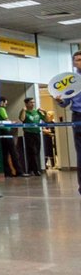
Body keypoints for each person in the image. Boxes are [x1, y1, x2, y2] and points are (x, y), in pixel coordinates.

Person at [54, 50, 81, 195]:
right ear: (73, 63)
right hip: (78, 116)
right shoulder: (70, 81)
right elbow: (65, 102)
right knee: (80, 154)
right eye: (77, 60)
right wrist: (59, 100)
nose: (79, 62)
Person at [0, 97, 24, 177]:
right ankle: (19, 171)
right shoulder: (1, 109)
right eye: (5, 103)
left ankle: (7, 172)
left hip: (0, 132)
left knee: (4, 153)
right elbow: (6, 120)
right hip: (6, 131)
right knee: (13, 152)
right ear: (2, 102)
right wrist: (14, 122)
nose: (6, 105)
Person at [19, 97, 45, 176]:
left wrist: (45, 112)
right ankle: (36, 170)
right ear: (26, 104)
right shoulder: (24, 111)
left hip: (37, 133)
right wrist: (23, 110)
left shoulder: (37, 112)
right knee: (32, 151)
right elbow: (22, 119)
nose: (33, 104)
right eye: (31, 102)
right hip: (28, 133)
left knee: (37, 151)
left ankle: (31, 169)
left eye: (33, 102)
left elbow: (46, 119)